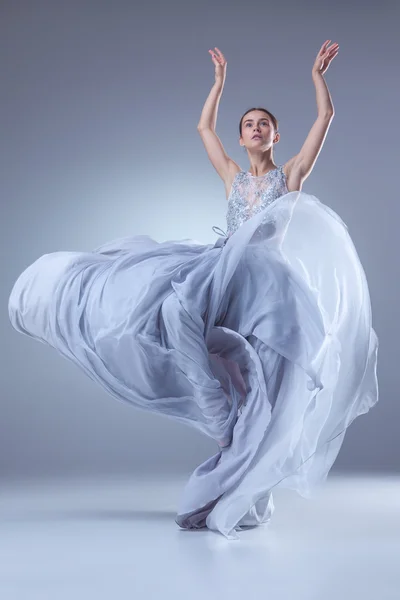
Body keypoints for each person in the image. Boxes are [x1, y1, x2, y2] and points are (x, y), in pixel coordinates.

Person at [8, 41, 379, 541]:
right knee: (167, 309)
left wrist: (318, 76)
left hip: (264, 279)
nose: (255, 128)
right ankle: (218, 414)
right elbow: (204, 129)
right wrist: (219, 85)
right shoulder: (231, 176)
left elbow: (326, 117)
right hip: (222, 266)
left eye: (263, 123)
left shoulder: (288, 176)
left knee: (265, 383)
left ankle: (240, 465)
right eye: (248, 123)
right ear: (241, 135)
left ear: (275, 136)